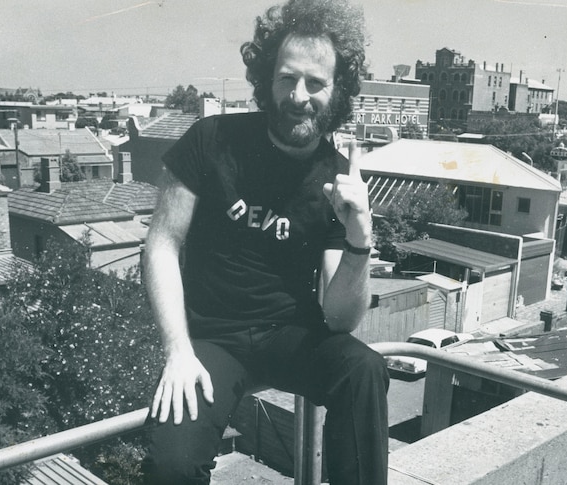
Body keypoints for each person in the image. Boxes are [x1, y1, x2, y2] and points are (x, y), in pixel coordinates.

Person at [141, 0, 388, 483]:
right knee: (170, 464)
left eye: (316, 83)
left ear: (337, 93)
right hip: (210, 340)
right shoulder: (211, 139)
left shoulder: (338, 179)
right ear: (266, 78)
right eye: (287, 78)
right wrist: (177, 350)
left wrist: (361, 237)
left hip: (290, 336)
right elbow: (162, 245)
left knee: (364, 371)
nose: (299, 95)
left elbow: (340, 318)